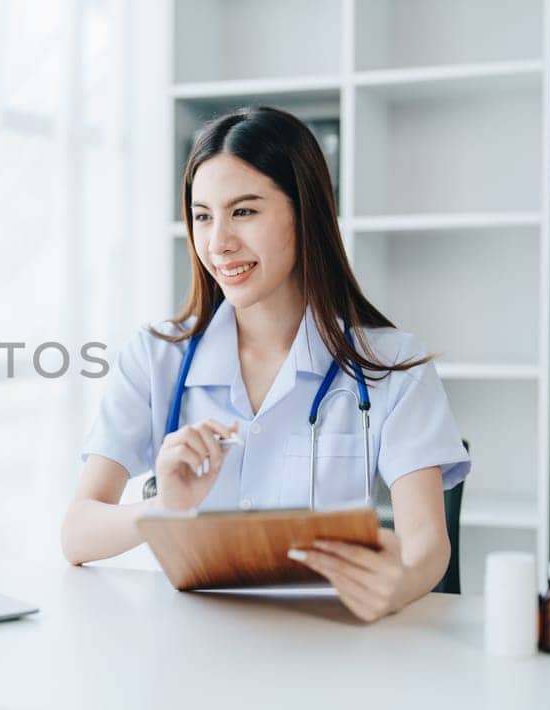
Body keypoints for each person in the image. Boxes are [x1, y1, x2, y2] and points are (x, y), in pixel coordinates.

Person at [60, 106, 470, 623]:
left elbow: (429, 544)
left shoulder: (392, 367)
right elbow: (77, 533)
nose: (218, 242)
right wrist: (166, 506)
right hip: (193, 651)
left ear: (306, 213)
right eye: (203, 215)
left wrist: (399, 584)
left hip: (326, 645)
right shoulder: (154, 357)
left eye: (245, 212)